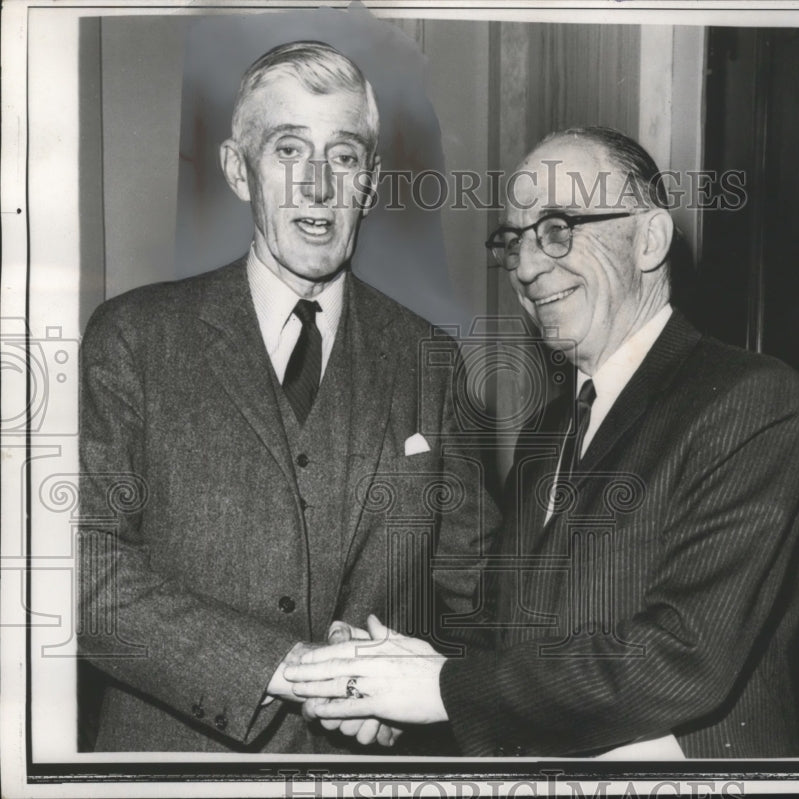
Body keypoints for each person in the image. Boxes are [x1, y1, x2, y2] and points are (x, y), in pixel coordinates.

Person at [284, 126, 799, 758]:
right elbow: (510, 638)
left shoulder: (754, 400)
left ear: (649, 240)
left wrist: (439, 687)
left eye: (558, 228)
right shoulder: (546, 431)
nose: (529, 267)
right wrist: (398, 673)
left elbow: (681, 656)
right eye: (513, 242)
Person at [76, 40, 495, 753]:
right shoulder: (134, 340)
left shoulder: (431, 359)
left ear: (371, 180)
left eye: (344, 156)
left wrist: (420, 684)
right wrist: (285, 668)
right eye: (288, 150)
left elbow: (476, 589)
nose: (318, 187)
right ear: (238, 170)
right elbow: (81, 571)